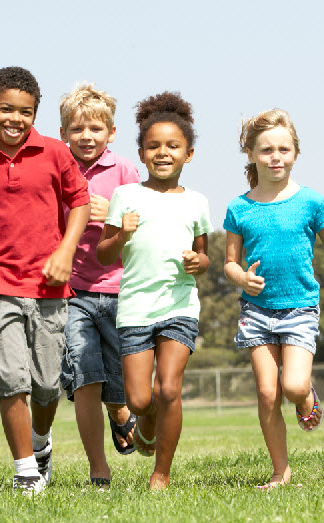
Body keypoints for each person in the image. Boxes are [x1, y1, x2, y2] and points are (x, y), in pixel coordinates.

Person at [0, 67, 90, 493]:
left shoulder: (55, 153)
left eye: (25, 112)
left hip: (49, 284)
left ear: (36, 114)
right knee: (10, 376)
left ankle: (40, 441)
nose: (15, 118)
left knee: (47, 384)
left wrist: (65, 253)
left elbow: (80, 202)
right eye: (5, 110)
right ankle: (25, 471)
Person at [223, 109, 324, 489]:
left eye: (284, 149)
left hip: (300, 308)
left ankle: (306, 399)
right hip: (256, 311)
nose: (276, 157)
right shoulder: (239, 208)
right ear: (250, 153)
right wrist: (242, 278)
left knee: (293, 387)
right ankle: (280, 472)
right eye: (266, 150)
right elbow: (229, 264)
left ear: (295, 153)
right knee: (268, 394)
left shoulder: (310, 202)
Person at [97, 92, 212, 491]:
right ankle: (144, 426)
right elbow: (103, 252)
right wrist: (122, 231)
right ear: (142, 153)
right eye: (154, 146)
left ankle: (161, 473)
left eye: (173, 146)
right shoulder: (126, 196)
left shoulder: (197, 202)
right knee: (141, 400)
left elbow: (203, 255)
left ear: (189, 154)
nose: (163, 153)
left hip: (180, 305)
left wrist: (200, 264)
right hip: (134, 309)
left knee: (169, 389)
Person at [57, 84, 142, 487]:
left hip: (122, 290)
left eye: (95, 128)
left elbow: (145, 222)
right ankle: (98, 467)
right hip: (73, 292)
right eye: (76, 129)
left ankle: (120, 411)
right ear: (63, 134)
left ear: (111, 132)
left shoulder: (124, 170)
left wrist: (116, 213)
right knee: (85, 376)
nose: (86, 136)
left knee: (119, 382)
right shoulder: (56, 168)